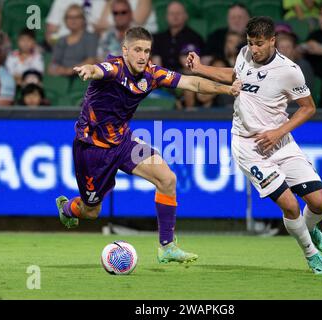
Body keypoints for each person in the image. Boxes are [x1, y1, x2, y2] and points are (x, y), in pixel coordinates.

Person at [55, 27, 240, 264]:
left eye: (147, 51)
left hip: (124, 141)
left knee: (167, 179)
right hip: (92, 148)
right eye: (137, 50)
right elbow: (99, 70)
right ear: (125, 51)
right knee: (91, 211)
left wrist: (228, 89)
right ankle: (68, 208)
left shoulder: (152, 74)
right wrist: (88, 70)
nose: (142, 56)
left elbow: (192, 83)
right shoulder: (115, 68)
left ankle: (167, 247)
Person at [187, 17, 322, 274]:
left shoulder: (289, 70)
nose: (253, 49)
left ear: (272, 41)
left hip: (280, 142)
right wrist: (199, 68)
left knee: (320, 203)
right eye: (250, 43)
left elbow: (308, 108)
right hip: (248, 146)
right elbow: (234, 75)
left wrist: (279, 132)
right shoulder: (244, 54)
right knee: (290, 205)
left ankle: (309, 229)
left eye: (259, 44)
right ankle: (312, 256)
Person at [151, 1, 204, 71]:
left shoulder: (194, 38)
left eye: (178, 13)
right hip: (163, 77)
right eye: (172, 13)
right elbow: (156, 64)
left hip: (186, 77)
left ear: (186, 16)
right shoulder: (158, 38)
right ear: (166, 17)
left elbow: (192, 67)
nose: (175, 16)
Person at [48, 5, 99, 77]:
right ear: (65, 20)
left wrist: (71, 70)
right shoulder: (61, 40)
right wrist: (59, 70)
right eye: (69, 17)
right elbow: (52, 65)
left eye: (77, 17)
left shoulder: (91, 38)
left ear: (83, 19)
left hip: (82, 79)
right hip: (62, 79)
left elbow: (91, 60)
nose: (73, 20)